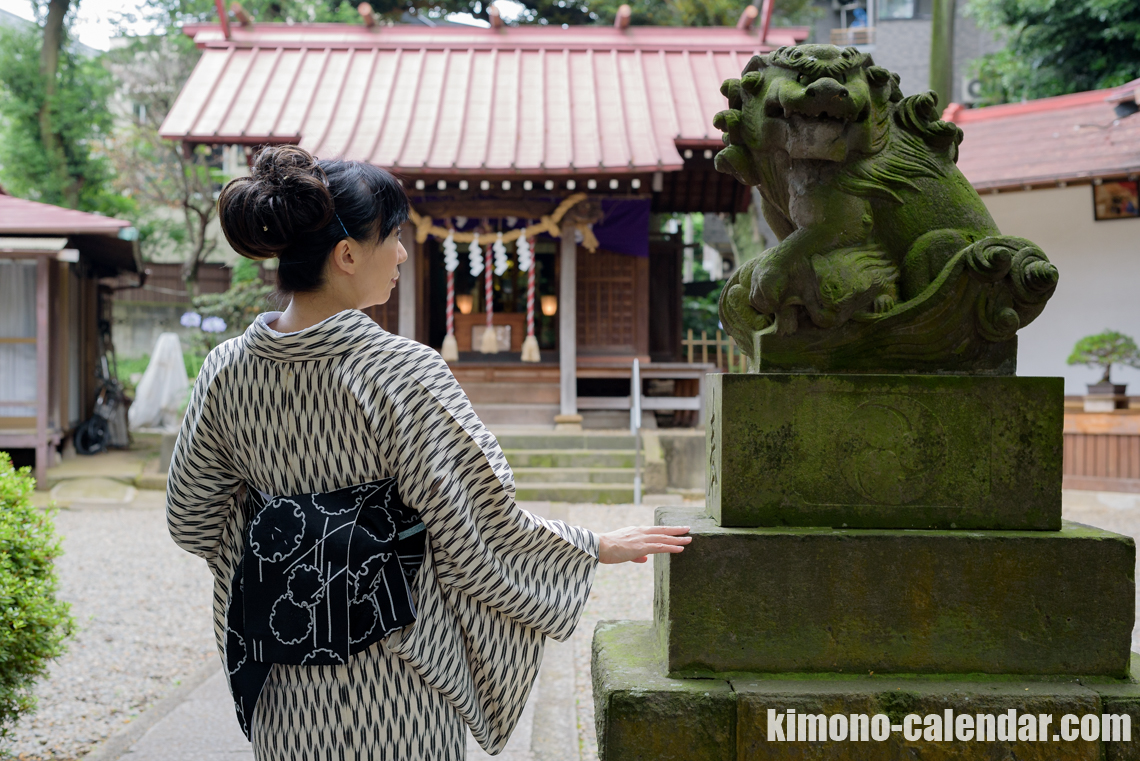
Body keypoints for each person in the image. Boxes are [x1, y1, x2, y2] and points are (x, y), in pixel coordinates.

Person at [165, 145, 690, 760]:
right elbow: (479, 530)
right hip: (400, 672)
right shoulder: (403, 370)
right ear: (346, 255)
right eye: (394, 235)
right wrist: (596, 546)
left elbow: (193, 521)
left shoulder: (227, 370)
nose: (404, 253)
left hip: (284, 673)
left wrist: (285, 555)